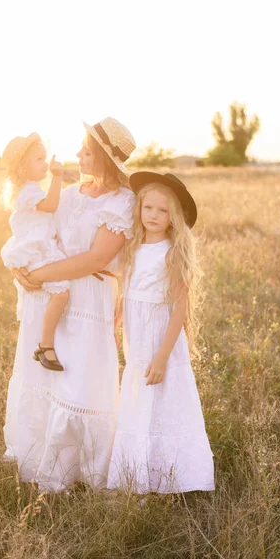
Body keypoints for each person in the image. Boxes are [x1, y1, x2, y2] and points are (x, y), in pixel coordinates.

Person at [4, 117, 137, 492]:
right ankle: (41, 462)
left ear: (107, 161)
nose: (78, 154)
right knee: (46, 379)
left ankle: (83, 469)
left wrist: (42, 274)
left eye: (87, 150)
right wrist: (21, 267)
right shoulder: (72, 193)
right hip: (49, 298)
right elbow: (36, 229)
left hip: (88, 300)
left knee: (80, 382)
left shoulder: (122, 202)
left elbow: (96, 259)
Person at [107, 172, 215, 494]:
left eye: (162, 211)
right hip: (136, 339)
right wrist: (116, 319)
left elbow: (179, 308)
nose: (153, 215)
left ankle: (173, 476)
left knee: (164, 402)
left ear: (173, 218)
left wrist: (163, 356)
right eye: (148, 207)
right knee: (139, 402)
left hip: (159, 339)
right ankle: (136, 476)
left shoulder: (171, 251)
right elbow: (130, 292)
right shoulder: (133, 246)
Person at [0, 132, 69, 371]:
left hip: (37, 248)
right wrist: (58, 177)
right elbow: (51, 205)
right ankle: (45, 344)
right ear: (22, 167)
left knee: (56, 295)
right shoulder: (30, 190)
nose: (45, 164)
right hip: (37, 252)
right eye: (39, 159)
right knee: (61, 294)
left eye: (45, 158)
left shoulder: (28, 189)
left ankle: (46, 342)